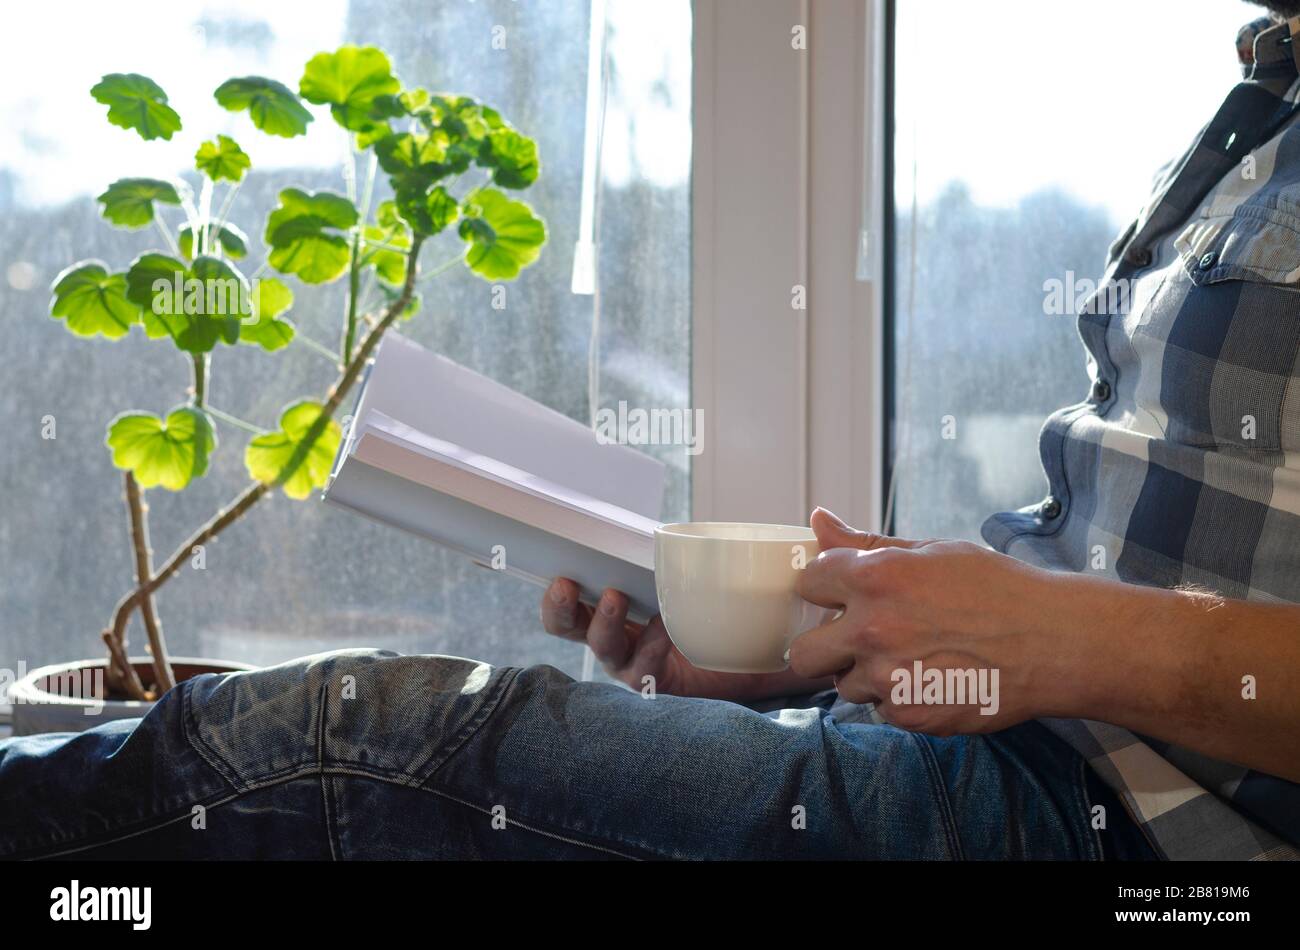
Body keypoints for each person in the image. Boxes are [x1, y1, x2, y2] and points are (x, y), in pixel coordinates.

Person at [2, 3, 1299, 861]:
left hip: (1104, 829)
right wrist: (814, 649)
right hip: (992, 752)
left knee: (348, 738)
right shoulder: (1260, 107)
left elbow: (1088, 631)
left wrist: (1048, 635)